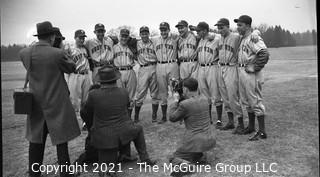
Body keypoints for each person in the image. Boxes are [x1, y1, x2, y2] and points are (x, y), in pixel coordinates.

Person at [19, 21, 81, 177]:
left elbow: (25, 57)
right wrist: (62, 51)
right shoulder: (57, 53)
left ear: (38, 36)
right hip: (56, 103)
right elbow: (72, 68)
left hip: (36, 104)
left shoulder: (26, 53)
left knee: (35, 141)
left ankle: (34, 173)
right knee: (61, 141)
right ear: (53, 37)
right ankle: (65, 173)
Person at [80, 65, 156, 177]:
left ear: (100, 80)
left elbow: (85, 113)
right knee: (138, 129)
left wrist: (92, 125)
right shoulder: (123, 92)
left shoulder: (93, 95)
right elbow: (125, 108)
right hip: (125, 131)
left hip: (105, 137)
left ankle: (120, 158)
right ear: (115, 79)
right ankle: (144, 158)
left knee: (107, 170)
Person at [168, 78, 216, 177]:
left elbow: (172, 118)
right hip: (210, 139)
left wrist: (176, 100)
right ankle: (200, 155)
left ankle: (188, 166)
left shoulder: (184, 104)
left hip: (195, 141)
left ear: (185, 89)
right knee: (191, 152)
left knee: (173, 158)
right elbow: (194, 103)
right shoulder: (205, 99)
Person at [234, 15, 270, 141]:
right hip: (242, 71)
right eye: (237, 25)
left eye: (240, 25)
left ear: (248, 26)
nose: (237, 27)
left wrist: (255, 68)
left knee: (255, 101)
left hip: (251, 73)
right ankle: (250, 127)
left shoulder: (253, 38)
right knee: (246, 101)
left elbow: (264, 53)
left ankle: (262, 132)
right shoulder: (243, 38)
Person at [194, 22, 223, 125]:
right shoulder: (200, 40)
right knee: (204, 95)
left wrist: (214, 34)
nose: (197, 32)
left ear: (205, 31)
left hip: (212, 67)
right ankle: (208, 118)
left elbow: (222, 35)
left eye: (199, 30)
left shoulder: (216, 39)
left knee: (215, 93)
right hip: (201, 67)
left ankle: (219, 119)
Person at [153, 22, 180, 124]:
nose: (163, 32)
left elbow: (187, 35)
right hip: (159, 65)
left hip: (172, 64)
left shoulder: (175, 38)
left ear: (169, 30)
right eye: (162, 30)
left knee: (175, 89)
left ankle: (178, 114)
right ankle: (164, 116)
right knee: (162, 91)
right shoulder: (155, 39)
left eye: (165, 30)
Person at [134, 26, 160, 123]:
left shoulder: (155, 42)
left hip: (154, 67)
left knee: (155, 93)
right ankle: (136, 116)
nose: (144, 35)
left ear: (149, 34)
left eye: (146, 33)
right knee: (140, 93)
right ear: (140, 34)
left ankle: (154, 116)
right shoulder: (136, 43)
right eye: (142, 33)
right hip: (143, 68)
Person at [66, 29, 92, 113]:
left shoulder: (85, 48)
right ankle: (75, 122)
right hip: (75, 75)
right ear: (75, 37)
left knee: (86, 100)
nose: (82, 40)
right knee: (74, 101)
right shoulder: (70, 48)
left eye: (83, 38)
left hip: (86, 75)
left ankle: (84, 123)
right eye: (80, 38)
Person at [112, 29, 137, 118]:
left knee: (131, 96)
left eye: (126, 36)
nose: (124, 38)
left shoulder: (132, 47)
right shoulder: (114, 47)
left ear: (128, 37)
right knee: (119, 96)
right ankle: (121, 118)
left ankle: (129, 118)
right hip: (118, 72)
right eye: (122, 36)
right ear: (119, 36)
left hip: (130, 71)